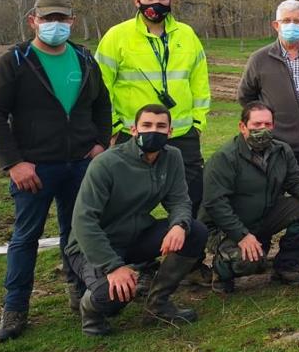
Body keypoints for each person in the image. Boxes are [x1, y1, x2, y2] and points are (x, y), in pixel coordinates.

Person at [0, 0, 111, 342]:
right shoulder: (16, 61)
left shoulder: (84, 59)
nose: (55, 25)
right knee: (26, 237)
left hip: (81, 164)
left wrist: (100, 142)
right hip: (35, 170)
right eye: (48, 18)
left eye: (61, 19)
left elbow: (101, 104)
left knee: (79, 233)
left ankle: (80, 291)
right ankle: (15, 309)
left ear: (72, 21)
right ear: (33, 20)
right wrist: (13, 162)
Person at [65, 104, 208, 336]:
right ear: (133, 130)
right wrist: (113, 267)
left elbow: (180, 200)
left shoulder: (173, 157)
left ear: (170, 132)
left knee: (195, 231)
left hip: (134, 236)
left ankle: (158, 303)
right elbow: (83, 221)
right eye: (147, 125)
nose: (154, 131)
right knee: (111, 297)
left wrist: (180, 225)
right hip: (92, 246)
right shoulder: (106, 163)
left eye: (161, 126)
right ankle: (89, 310)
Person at [96, 0, 211, 214]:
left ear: (171, 0)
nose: (155, 2)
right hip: (132, 134)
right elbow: (100, 87)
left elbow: (200, 82)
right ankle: (132, 250)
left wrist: (198, 122)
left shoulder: (187, 35)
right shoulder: (117, 36)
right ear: (136, 1)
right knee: (127, 202)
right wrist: (114, 127)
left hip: (181, 133)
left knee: (192, 199)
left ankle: (186, 248)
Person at [202, 102, 299, 292]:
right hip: (226, 227)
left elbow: (296, 178)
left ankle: (286, 264)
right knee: (250, 262)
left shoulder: (282, 150)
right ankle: (221, 271)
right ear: (242, 127)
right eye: (257, 125)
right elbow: (215, 204)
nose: (263, 129)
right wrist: (242, 236)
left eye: (268, 125)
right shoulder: (224, 158)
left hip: (263, 215)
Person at [238, 0, 299, 186]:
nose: (292, 25)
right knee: (273, 192)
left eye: (297, 21)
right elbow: (246, 96)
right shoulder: (259, 59)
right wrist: (262, 124)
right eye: (286, 20)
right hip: (275, 143)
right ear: (276, 25)